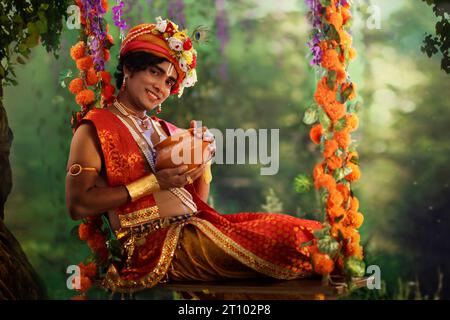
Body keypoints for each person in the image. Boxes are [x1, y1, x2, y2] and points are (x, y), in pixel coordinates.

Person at [66, 18, 322, 294]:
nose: (160, 87)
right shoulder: (97, 126)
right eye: (154, 72)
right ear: (129, 67)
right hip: (158, 249)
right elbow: (78, 204)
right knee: (293, 243)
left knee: (311, 232)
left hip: (197, 228)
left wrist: (203, 159)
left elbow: (198, 201)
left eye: (170, 82)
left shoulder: (166, 130)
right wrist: (154, 182)